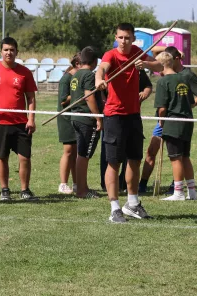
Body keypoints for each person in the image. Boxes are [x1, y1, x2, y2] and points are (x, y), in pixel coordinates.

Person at [95, 22, 163, 223]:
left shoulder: (137, 52)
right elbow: (102, 69)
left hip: (133, 115)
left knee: (134, 159)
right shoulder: (111, 55)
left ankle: (132, 204)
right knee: (114, 162)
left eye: (127, 38)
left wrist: (147, 65)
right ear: (115, 38)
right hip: (114, 115)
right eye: (120, 37)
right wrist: (100, 80)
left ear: (133, 39)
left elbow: (160, 66)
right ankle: (115, 208)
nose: (124, 41)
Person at [0, 37, 38, 201]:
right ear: (1, 52)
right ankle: (5, 190)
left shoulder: (24, 72)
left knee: (24, 157)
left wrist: (31, 119)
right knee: (2, 156)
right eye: (6, 49)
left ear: (17, 52)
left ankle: (25, 190)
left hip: (21, 122)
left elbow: (30, 98)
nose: (9, 52)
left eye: (12, 50)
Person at [138, 46, 197, 193]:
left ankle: (175, 187)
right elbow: (156, 52)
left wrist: (185, 108)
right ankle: (142, 184)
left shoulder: (186, 75)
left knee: (178, 155)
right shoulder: (166, 76)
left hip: (173, 120)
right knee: (152, 151)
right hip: (163, 120)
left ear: (175, 59)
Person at [154, 52, 197, 200]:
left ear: (161, 64)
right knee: (185, 156)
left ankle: (178, 192)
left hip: (173, 123)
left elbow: (161, 107)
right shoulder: (184, 78)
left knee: (175, 158)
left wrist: (161, 119)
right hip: (187, 122)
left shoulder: (163, 81)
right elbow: (191, 102)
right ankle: (192, 192)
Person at [100, 68, 152, 191]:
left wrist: (145, 93)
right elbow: (100, 88)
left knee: (131, 155)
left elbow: (148, 85)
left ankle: (124, 184)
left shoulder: (138, 70)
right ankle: (106, 185)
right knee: (110, 156)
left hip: (132, 116)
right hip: (113, 117)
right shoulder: (111, 67)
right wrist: (106, 101)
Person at [70, 47, 103, 198]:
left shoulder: (76, 74)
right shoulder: (89, 75)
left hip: (75, 117)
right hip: (86, 119)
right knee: (84, 155)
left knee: (81, 154)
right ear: (95, 61)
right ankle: (82, 191)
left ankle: (82, 187)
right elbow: (89, 97)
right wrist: (98, 117)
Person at [57, 53, 80, 195]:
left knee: (75, 152)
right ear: (77, 63)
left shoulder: (78, 77)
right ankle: (63, 183)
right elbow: (63, 100)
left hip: (76, 117)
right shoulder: (66, 78)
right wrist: (78, 93)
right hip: (65, 118)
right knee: (68, 151)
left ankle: (76, 183)